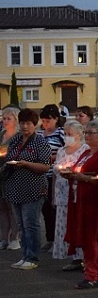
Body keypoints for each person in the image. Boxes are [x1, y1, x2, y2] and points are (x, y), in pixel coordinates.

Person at [67, 119, 98, 288]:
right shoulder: (86, 152)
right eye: (86, 132)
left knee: (92, 238)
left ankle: (92, 275)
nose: (87, 136)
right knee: (94, 239)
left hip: (96, 201)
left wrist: (84, 178)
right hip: (82, 200)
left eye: (91, 133)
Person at [4, 108, 52, 269]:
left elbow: (45, 166)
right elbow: (8, 157)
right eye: (23, 123)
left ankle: (32, 257)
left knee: (31, 224)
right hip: (15, 188)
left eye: (28, 123)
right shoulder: (16, 140)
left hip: (33, 188)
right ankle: (25, 255)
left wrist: (26, 164)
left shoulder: (40, 142)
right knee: (21, 225)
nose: (25, 126)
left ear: (35, 124)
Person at [52, 121, 89, 270]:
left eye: (70, 134)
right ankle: (74, 257)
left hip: (76, 193)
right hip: (62, 193)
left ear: (79, 135)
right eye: (66, 134)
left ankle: (84, 257)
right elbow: (55, 172)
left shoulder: (85, 150)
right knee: (65, 224)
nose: (67, 137)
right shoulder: (61, 151)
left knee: (78, 223)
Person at [39, 104, 65, 252]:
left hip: (53, 175)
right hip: (40, 175)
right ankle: (49, 238)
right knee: (45, 209)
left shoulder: (61, 133)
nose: (45, 124)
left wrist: (52, 158)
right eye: (43, 121)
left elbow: (65, 151)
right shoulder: (39, 134)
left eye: (48, 121)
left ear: (56, 119)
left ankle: (57, 238)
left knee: (53, 207)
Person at [0, 107, 21, 250]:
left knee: (12, 208)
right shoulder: (1, 134)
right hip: (0, 176)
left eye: (9, 118)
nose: (5, 121)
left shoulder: (18, 136)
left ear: (16, 120)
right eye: (4, 118)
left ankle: (15, 238)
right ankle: (3, 238)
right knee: (2, 208)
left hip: (12, 174)